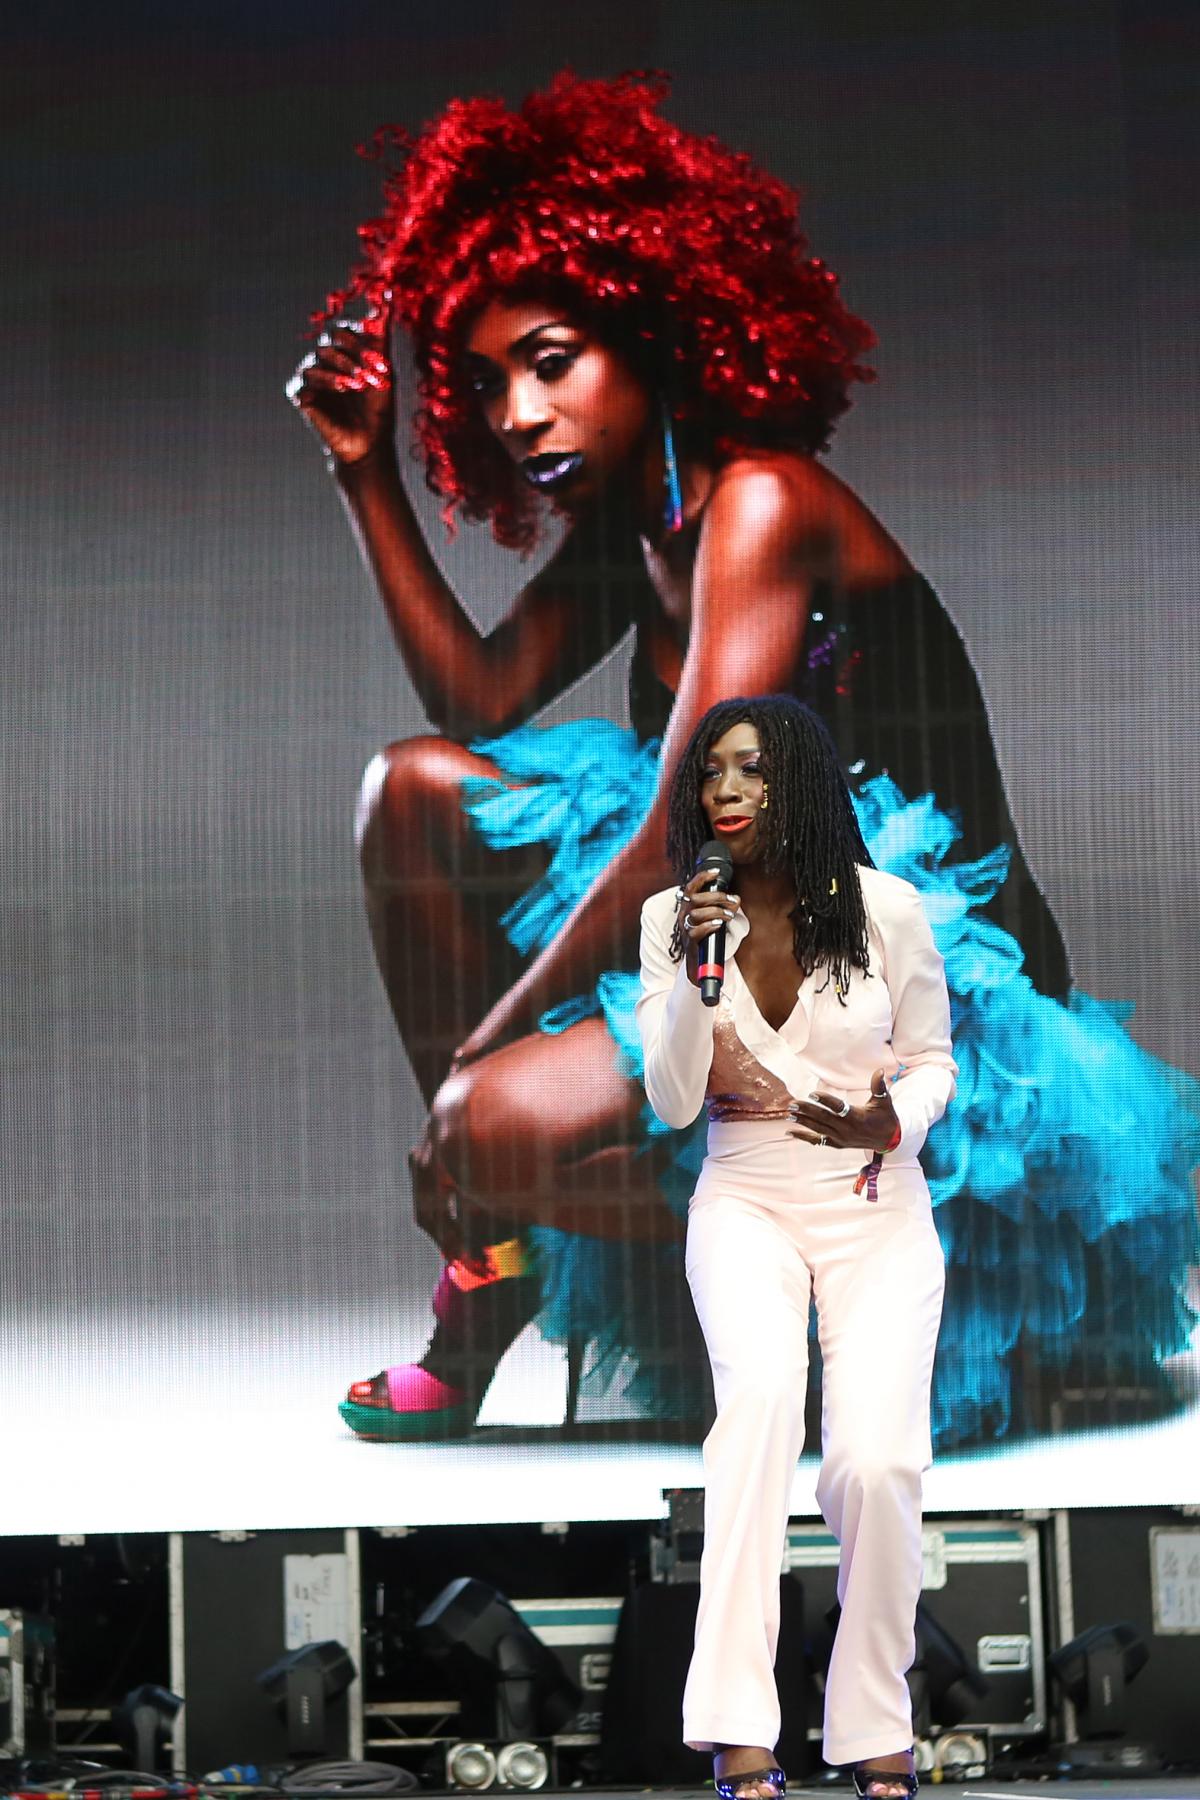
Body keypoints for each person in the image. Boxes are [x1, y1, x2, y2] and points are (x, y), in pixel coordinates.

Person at [287, 70, 1199, 1447]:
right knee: (407, 793)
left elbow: (676, 834)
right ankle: (495, 1266)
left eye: (550, 361)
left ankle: (816, 1262)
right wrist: (364, 473)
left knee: (486, 1122)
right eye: (484, 386)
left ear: (656, 335)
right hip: (743, 932)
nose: (517, 415)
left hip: (913, 992)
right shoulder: (639, 525)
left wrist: (479, 1063)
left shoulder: (765, 503)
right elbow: (473, 698)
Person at [639, 692, 954, 1799]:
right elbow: (675, 1100)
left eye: (752, 770)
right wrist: (688, 968)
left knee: (877, 1463)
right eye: (712, 773)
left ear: (802, 784)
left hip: (875, 1195)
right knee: (759, 1417)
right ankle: (738, 1733)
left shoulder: (889, 911)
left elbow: (931, 1061)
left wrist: (892, 1118)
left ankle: (874, 1726)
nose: (725, 790)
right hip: (747, 1192)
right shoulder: (674, 921)